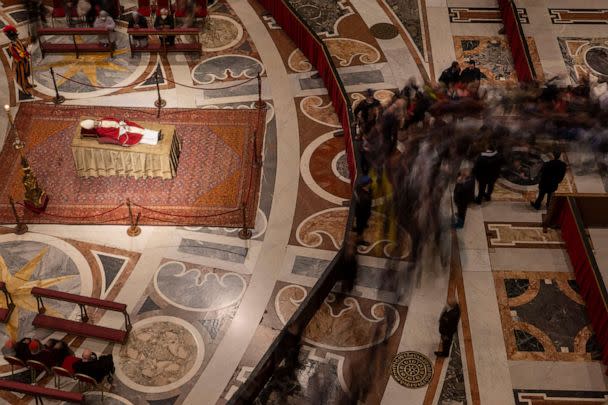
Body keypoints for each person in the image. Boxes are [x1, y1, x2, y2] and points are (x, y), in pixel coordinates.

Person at [80, 118, 162, 146]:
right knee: (136, 135)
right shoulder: (100, 131)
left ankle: (156, 134)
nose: (97, 123)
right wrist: (122, 129)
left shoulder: (102, 119)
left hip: (122, 126)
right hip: (121, 134)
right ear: (94, 126)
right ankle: (154, 140)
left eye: (95, 121)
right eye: (95, 124)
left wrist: (121, 123)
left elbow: (113, 120)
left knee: (138, 129)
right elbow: (112, 134)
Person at [2, 25, 33, 95]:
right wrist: (28, 51)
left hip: (24, 60)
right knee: (21, 76)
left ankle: (27, 84)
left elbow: (23, 47)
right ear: (11, 37)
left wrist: (28, 42)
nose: (17, 37)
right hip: (19, 63)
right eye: (15, 36)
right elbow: (19, 55)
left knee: (25, 74)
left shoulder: (17, 40)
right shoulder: (11, 45)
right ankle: (24, 90)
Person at [354, 175, 372, 246]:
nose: (371, 184)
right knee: (360, 229)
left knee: (360, 225)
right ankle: (359, 240)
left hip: (359, 213)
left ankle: (360, 227)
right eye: (370, 183)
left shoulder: (358, 188)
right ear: (366, 184)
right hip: (362, 215)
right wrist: (367, 216)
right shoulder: (364, 198)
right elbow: (364, 210)